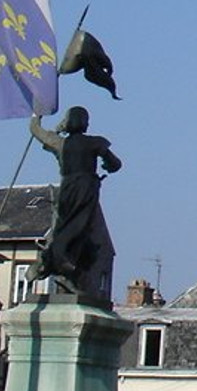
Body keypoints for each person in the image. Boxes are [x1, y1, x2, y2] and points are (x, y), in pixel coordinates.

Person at [27, 107, 122, 298]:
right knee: (82, 230)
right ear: (86, 124)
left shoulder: (60, 143)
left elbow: (35, 130)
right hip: (86, 190)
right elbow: (116, 164)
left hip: (68, 190)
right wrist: (107, 165)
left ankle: (60, 266)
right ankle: (64, 267)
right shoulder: (94, 143)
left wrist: (38, 115)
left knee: (66, 228)